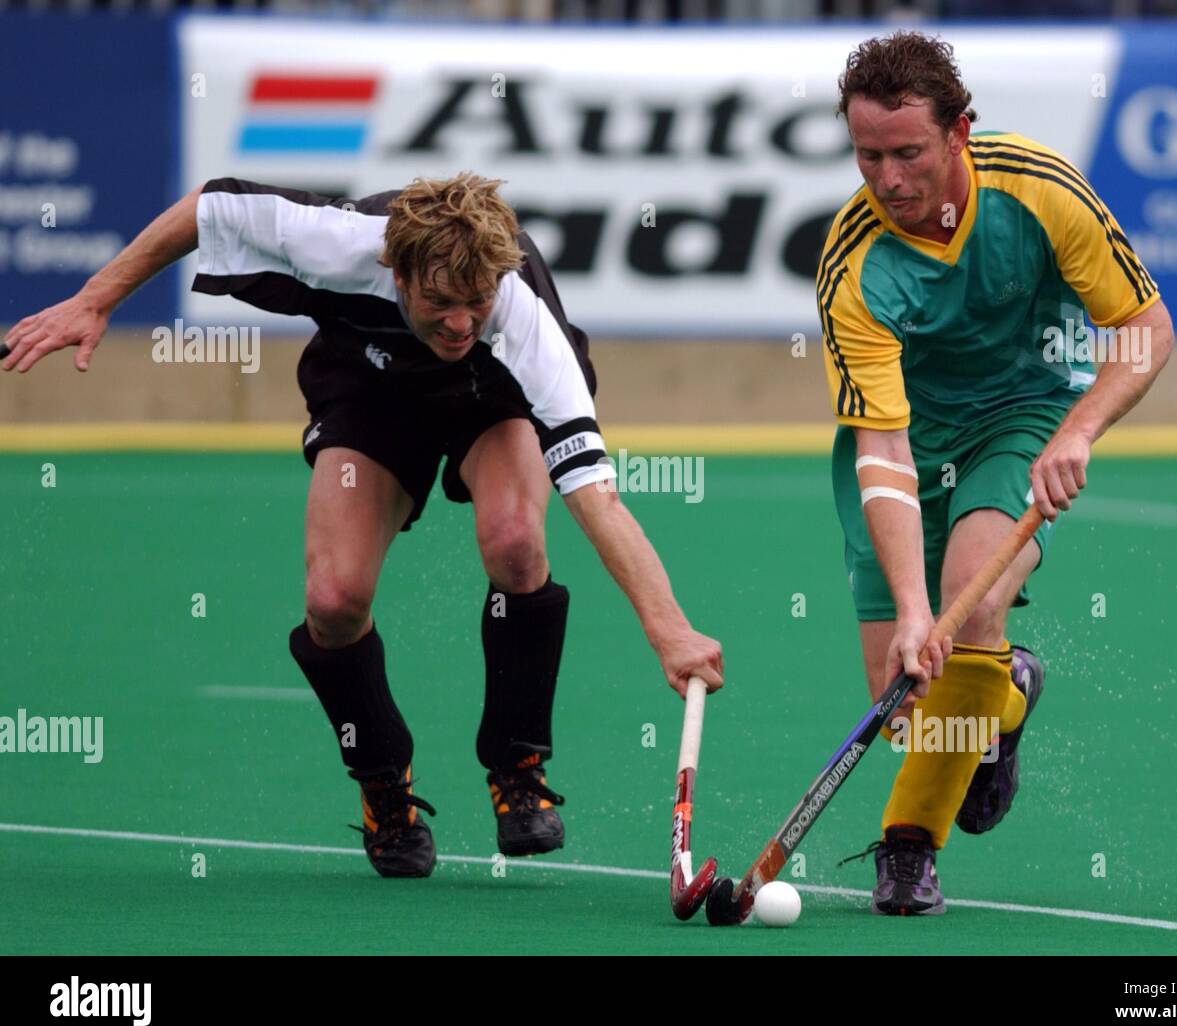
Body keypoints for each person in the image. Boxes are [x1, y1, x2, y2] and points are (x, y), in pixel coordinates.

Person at [1, 172, 724, 877]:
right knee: (334, 600)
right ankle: (383, 778)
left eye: (476, 300)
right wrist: (96, 300)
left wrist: (669, 630)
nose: (460, 321)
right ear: (396, 270)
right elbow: (208, 208)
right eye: (439, 301)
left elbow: (597, 498)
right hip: (372, 388)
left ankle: (517, 764)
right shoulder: (339, 241)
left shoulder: (518, 317)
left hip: (491, 397)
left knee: (515, 541)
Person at [818, 32, 1173, 914]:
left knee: (971, 601)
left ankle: (907, 852)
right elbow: (885, 450)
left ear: (958, 133)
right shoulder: (853, 263)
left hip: (1021, 419)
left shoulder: (1040, 191)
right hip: (905, 443)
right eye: (869, 157)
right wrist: (908, 611)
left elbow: (1145, 328)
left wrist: (1078, 431)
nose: (890, 180)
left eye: (909, 154)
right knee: (914, 707)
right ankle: (1005, 693)